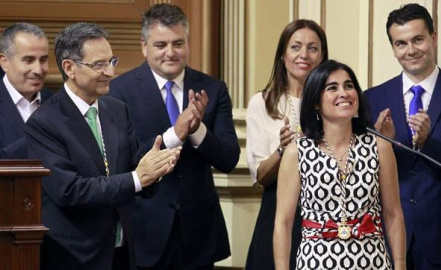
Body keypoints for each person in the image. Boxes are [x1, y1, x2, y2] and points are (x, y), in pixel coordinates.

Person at [25, 22, 181, 270]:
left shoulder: (116, 110)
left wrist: (156, 168)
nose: (110, 72)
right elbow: (71, 191)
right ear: (69, 68)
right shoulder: (44, 123)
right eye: (99, 64)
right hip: (75, 257)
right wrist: (139, 178)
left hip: (121, 252)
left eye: (112, 61)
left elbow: (133, 169)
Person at [108, 3, 240, 269]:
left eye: (178, 43)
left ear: (187, 43)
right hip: (144, 233)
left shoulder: (212, 89)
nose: (170, 52)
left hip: (198, 234)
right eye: (161, 45)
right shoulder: (119, 92)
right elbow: (123, 162)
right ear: (144, 46)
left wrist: (197, 130)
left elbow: (229, 158)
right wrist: (175, 134)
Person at [364, 3, 441, 269]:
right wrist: (383, 145)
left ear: (433, 38)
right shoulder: (373, 98)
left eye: (418, 39)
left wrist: (428, 144)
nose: (411, 50)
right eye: (401, 43)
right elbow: (365, 173)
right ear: (393, 48)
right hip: (388, 239)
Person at [274, 60, 406, 270]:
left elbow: (393, 214)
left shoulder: (380, 146)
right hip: (315, 261)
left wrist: (400, 265)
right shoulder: (297, 151)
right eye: (332, 88)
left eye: (349, 86)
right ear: (316, 101)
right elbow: (283, 222)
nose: (344, 93)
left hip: (372, 261)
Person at [245, 19, 328, 270]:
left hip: (327, 214)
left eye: (313, 48)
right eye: (296, 47)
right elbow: (261, 176)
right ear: (283, 54)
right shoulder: (263, 102)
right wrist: (283, 149)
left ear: (323, 56)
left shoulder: (334, 99)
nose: (304, 55)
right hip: (278, 211)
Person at [0, 23, 53, 158]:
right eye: (28, 60)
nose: (38, 70)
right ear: (4, 62)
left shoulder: (58, 104)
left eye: (43, 60)